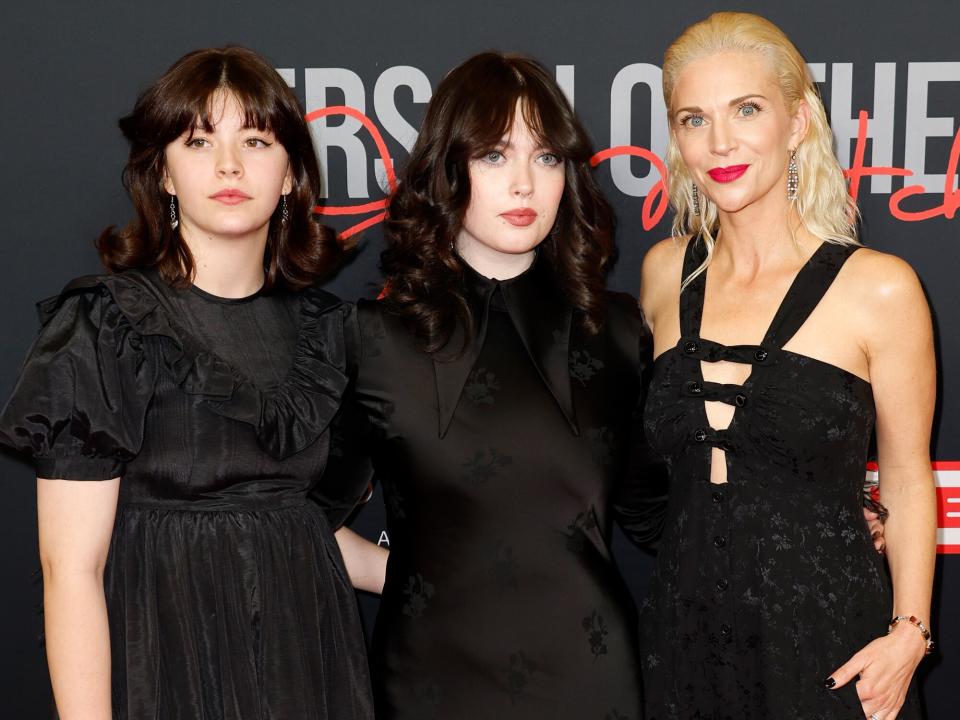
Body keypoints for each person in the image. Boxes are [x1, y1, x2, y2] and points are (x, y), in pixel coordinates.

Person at [0, 47, 374, 719]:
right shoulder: (107, 324)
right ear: (164, 175)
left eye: (255, 141)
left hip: (306, 661)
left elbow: (296, 526)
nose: (228, 166)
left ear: (291, 174)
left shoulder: (330, 335)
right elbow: (71, 572)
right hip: (164, 660)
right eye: (198, 141)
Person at [318, 51, 665, 720]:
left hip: (590, 681)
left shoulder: (617, 330)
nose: (525, 185)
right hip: (427, 677)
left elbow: (655, 516)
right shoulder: (372, 336)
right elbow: (301, 520)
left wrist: (801, 511)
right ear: (449, 169)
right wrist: (413, 572)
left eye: (546, 158)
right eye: (495, 156)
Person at [638, 12, 936, 720]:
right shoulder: (661, 275)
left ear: (798, 120)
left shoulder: (880, 287)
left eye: (747, 109)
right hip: (682, 641)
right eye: (693, 119)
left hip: (829, 646)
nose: (721, 143)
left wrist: (910, 632)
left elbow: (906, 476)